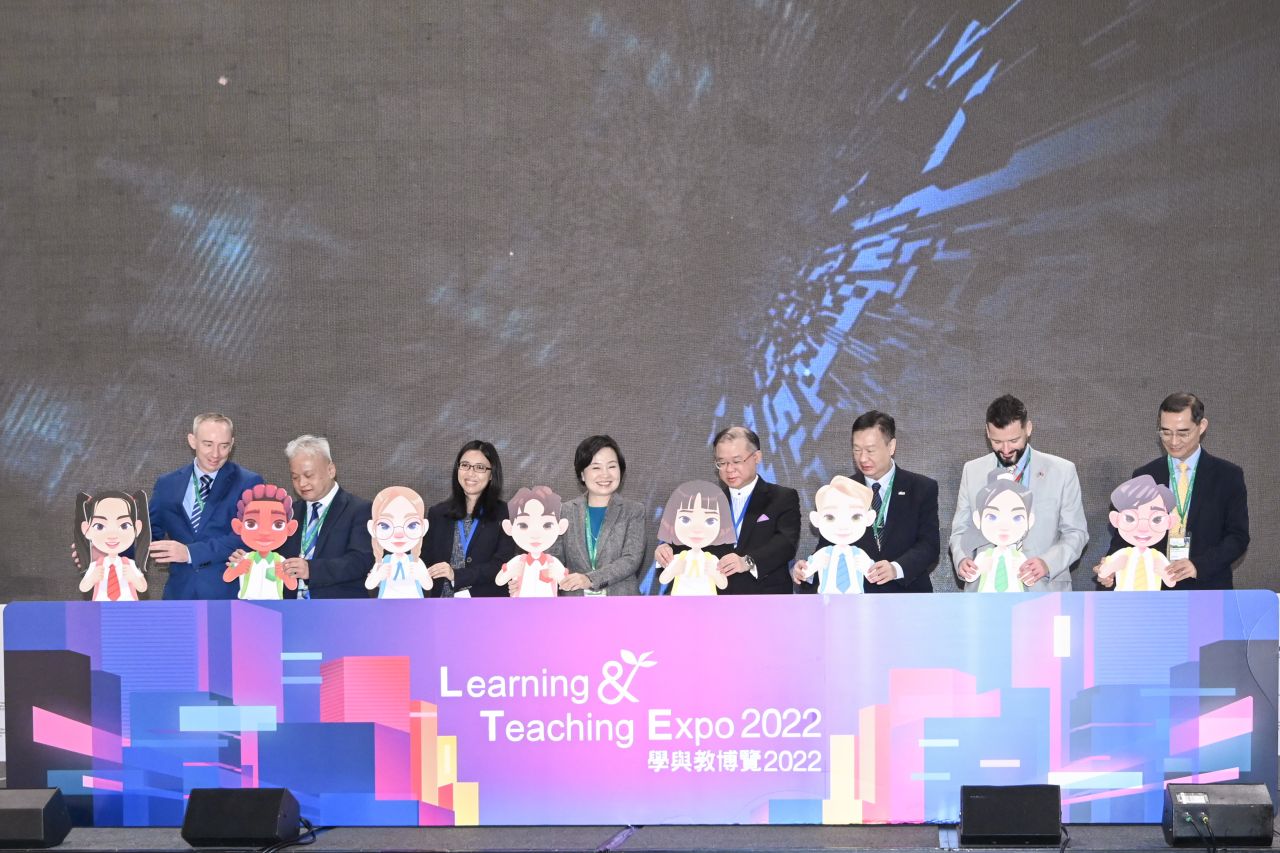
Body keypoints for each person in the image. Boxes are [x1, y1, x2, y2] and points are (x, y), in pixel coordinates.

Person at [1099, 393, 1248, 590]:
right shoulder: (1146, 474)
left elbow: (1237, 537)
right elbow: (1126, 533)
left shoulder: (1227, 476)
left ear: (1202, 426)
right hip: (1154, 587)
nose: (1174, 441)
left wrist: (1198, 565)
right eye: (1166, 432)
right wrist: (1111, 566)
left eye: (1183, 433)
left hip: (1208, 585)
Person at [950, 395, 1087, 591]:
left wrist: (1047, 563)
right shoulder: (972, 471)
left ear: (1028, 428)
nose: (1006, 450)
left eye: (1014, 440)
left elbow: (1076, 532)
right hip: (985, 590)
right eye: (997, 441)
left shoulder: (1062, 471)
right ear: (987, 432)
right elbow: (960, 530)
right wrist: (962, 559)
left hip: (1044, 589)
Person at [791, 411, 939, 592]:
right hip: (856, 597)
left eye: (870, 450)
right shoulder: (840, 490)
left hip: (908, 594)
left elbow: (929, 545)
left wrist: (896, 569)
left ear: (891, 446)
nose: (862, 458)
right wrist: (807, 570)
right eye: (856, 450)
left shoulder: (921, 488)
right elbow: (828, 546)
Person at [654, 426, 800, 594]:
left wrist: (747, 562)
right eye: (722, 463)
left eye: (736, 461)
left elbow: (786, 543)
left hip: (765, 596)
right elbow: (686, 542)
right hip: (714, 596)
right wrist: (666, 550)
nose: (729, 469)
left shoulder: (782, 497)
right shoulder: (709, 502)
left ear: (757, 457)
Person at [149, 413, 264, 599]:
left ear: (232, 444)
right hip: (179, 594)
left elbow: (248, 537)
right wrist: (106, 551)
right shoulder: (167, 484)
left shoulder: (249, 483)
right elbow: (148, 535)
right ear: (192, 441)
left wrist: (189, 553)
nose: (215, 454)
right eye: (208, 444)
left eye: (224, 446)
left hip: (227, 595)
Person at [276, 435, 374, 599]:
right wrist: (249, 559)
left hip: (338, 608)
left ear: (331, 470)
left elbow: (361, 561)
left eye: (309, 475)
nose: (302, 483)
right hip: (288, 608)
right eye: (295, 477)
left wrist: (312, 570)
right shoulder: (287, 513)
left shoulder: (360, 510)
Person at [554, 435, 647, 596]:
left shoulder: (634, 511)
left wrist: (590, 579)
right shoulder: (564, 512)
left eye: (612, 466)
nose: (605, 474)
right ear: (582, 474)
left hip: (621, 601)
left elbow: (631, 560)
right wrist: (526, 580)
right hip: (574, 602)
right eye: (596, 468)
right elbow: (553, 560)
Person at [421, 440, 516, 598]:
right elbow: (425, 560)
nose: (470, 473)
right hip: (442, 604)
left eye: (480, 467)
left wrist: (457, 575)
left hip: (485, 604)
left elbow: (502, 564)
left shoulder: (505, 513)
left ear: (492, 474)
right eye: (465, 465)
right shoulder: (437, 513)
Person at [1095, 475, 1175, 591]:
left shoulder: (1157, 557)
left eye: (1156, 519)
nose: (1143, 528)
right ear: (1115, 519)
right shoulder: (1124, 554)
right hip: (1125, 600)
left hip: (1154, 599)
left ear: (1170, 522)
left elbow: (1170, 581)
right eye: (1130, 518)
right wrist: (1106, 569)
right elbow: (1104, 571)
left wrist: (1166, 572)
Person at [656, 481, 734, 595]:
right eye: (685, 519)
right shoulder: (679, 557)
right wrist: (673, 570)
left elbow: (723, 584)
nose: (697, 529)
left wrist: (715, 574)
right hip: (681, 601)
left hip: (708, 602)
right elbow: (663, 580)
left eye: (710, 521)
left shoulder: (712, 559)